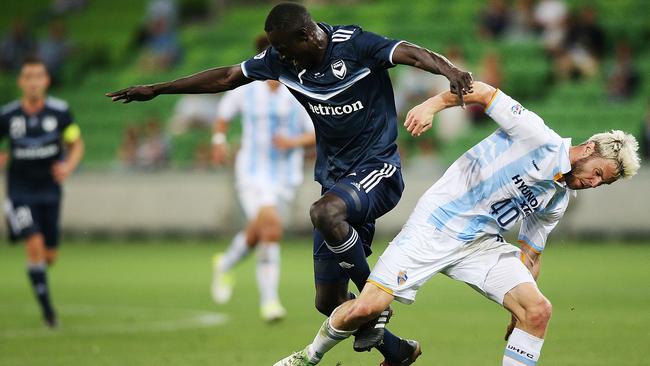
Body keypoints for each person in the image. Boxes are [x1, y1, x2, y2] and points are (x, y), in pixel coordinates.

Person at [107, 3, 472, 364]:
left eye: (283, 48)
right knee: (327, 301)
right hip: (336, 182)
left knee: (324, 213)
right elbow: (227, 77)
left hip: (379, 171)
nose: (278, 56)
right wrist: (158, 88)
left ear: (307, 35)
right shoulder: (283, 60)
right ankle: (398, 351)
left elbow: (409, 52)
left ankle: (372, 299)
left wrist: (449, 70)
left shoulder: (354, 45)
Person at [274, 81, 641, 366]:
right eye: (598, 174)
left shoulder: (557, 198)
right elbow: (481, 91)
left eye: (602, 183)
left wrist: (520, 307)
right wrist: (432, 105)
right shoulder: (538, 137)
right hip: (437, 223)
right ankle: (310, 356)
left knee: (539, 310)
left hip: (481, 245)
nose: (593, 184)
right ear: (590, 149)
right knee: (367, 308)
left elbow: (531, 251)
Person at [210, 35, 316, 322]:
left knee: (261, 232)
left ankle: (225, 262)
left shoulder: (299, 89)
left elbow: (315, 132)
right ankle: (270, 301)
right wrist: (219, 140)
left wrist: (293, 142)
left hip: (286, 177)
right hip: (253, 173)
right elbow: (223, 116)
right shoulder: (245, 89)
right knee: (271, 228)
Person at [0, 57, 85, 327]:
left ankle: (37, 274)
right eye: (28, 77)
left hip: (50, 191)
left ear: (46, 80)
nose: (34, 82)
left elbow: (76, 142)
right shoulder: (8, 115)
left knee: (49, 256)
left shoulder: (60, 112)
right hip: (20, 191)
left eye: (39, 76)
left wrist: (68, 166)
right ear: (21, 82)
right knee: (33, 243)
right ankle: (49, 313)